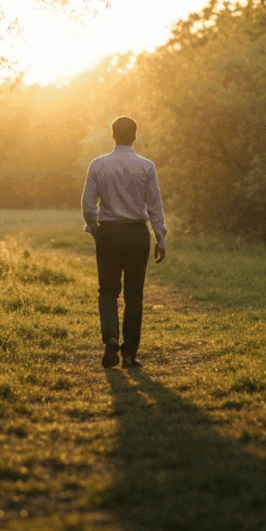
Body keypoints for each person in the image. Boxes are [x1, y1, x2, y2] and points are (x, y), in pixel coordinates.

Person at [81, 116, 166, 370]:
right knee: (134, 296)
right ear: (135, 136)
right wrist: (160, 237)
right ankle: (129, 355)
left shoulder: (97, 165)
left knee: (107, 291)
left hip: (109, 234)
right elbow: (154, 206)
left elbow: (87, 206)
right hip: (137, 234)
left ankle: (110, 338)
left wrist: (96, 229)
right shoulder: (147, 167)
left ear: (113, 135)